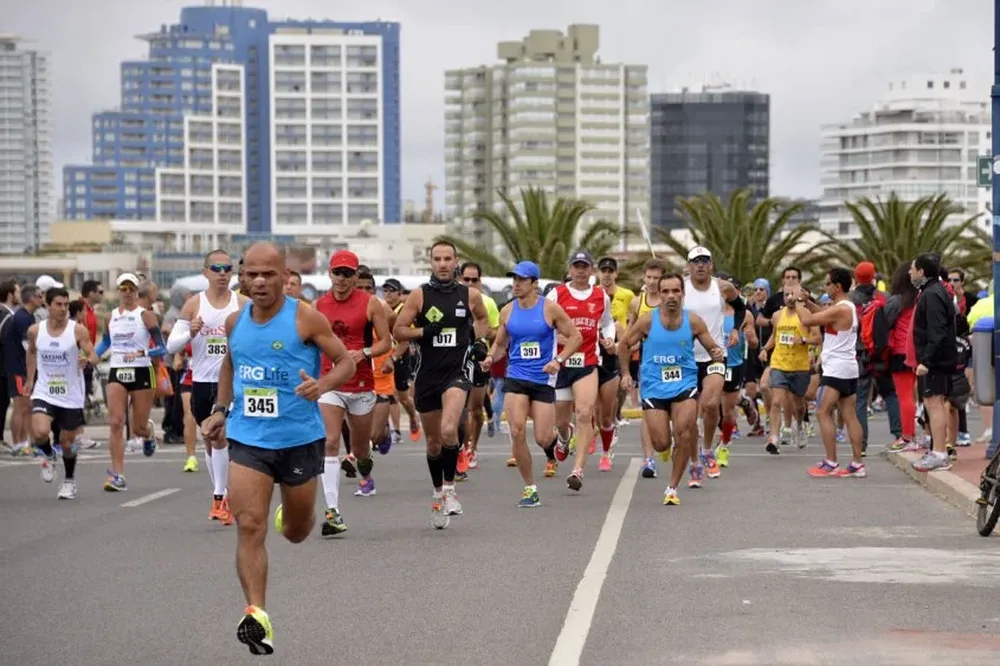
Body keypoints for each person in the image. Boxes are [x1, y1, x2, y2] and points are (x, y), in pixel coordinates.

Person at [199, 241, 355, 656]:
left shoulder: (305, 317)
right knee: (249, 524)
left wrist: (321, 386)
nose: (259, 281)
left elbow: (346, 362)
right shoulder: (235, 322)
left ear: (285, 276)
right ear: (242, 277)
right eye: (251, 274)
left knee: (298, 531)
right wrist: (219, 410)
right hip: (248, 438)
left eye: (268, 274)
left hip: (300, 440)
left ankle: (293, 511)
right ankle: (258, 615)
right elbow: (230, 363)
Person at [392, 240, 490, 528]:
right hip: (426, 377)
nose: (443, 264)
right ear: (431, 262)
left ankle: (449, 490)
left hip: (456, 373)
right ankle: (437, 494)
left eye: (448, 258)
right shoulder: (419, 296)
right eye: (438, 259)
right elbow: (398, 330)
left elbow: (483, 319)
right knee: (434, 443)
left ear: (456, 261)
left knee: (450, 429)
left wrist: (479, 341)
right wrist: (423, 332)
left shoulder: (469, 295)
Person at [619, 273, 727, 505]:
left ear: (683, 294)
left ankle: (672, 488)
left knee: (685, 433)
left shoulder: (694, 321)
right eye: (665, 291)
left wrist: (716, 352)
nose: (671, 296)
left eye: (675, 291)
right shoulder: (648, 321)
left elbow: (712, 348)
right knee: (661, 443)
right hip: (654, 386)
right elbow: (625, 344)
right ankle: (665, 450)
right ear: (659, 295)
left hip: (684, 384)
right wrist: (626, 373)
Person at [483, 261, 582, 507]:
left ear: (534, 283)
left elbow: (576, 337)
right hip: (515, 376)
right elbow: (500, 344)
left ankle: (561, 435)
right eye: (514, 279)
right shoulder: (507, 311)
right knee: (516, 430)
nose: (516, 284)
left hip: (543, 379)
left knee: (542, 437)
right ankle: (530, 488)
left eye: (522, 279)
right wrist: (489, 357)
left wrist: (559, 360)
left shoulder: (550, 309)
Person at [313, 250, 391, 535]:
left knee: (358, 450)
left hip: (361, 384)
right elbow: (308, 342)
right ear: (330, 274)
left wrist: (365, 352)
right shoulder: (318, 305)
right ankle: (332, 512)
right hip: (330, 382)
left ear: (356, 276)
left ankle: (365, 463)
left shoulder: (370, 304)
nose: (342, 279)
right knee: (331, 441)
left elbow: (385, 342)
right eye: (337, 273)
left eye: (348, 274)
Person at [167, 250, 247, 521]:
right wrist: (190, 331)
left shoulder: (242, 303)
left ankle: (219, 497)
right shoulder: (194, 304)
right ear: (206, 272)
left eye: (227, 268)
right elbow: (171, 346)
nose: (222, 273)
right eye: (216, 268)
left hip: (234, 383)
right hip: (202, 381)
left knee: (223, 436)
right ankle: (223, 495)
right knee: (211, 440)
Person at [24, 288, 100, 499]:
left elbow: (93, 354)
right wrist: (30, 379)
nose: (63, 309)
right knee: (39, 432)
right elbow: (31, 352)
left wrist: (88, 360)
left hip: (71, 393)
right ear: (47, 305)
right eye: (58, 304)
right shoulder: (35, 331)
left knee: (67, 443)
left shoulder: (78, 331)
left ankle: (69, 480)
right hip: (45, 389)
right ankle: (48, 454)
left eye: (66, 305)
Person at [549, 250, 615, 492]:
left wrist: (608, 339)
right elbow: (547, 323)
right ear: (569, 269)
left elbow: (607, 323)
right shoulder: (557, 294)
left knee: (585, 412)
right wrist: (559, 338)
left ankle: (578, 471)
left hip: (587, 361)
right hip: (561, 362)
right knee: (561, 420)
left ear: (591, 270)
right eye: (576, 266)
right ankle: (565, 438)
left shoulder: (600, 296)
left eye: (584, 266)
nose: (580, 270)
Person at [95, 273, 165, 491]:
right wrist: (90, 359)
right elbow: (105, 342)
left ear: (137, 291)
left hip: (142, 371)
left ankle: (149, 433)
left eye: (131, 288)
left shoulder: (146, 316)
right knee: (116, 422)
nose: (127, 293)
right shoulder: (110, 317)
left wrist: (143, 351)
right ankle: (118, 475)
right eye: (123, 289)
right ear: (118, 292)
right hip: (117, 370)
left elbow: (163, 347)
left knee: (139, 426)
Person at [793, 268, 866, 478]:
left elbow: (807, 321)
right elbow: (821, 315)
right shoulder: (844, 308)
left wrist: (797, 303)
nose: (825, 288)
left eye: (827, 284)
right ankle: (857, 463)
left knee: (822, 412)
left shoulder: (841, 308)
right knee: (850, 416)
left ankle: (831, 461)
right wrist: (807, 302)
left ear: (838, 286)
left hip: (836, 369)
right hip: (848, 368)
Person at [682, 247, 746, 483]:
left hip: (715, 354)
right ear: (689, 265)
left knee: (710, 404)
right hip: (686, 358)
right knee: (688, 417)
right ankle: (694, 463)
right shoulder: (681, 287)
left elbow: (741, 307)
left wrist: (737, 330)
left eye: (704, 261)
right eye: (695, 261)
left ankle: (707, 450)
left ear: (711, 264)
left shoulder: (722, 287)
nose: (700, 265)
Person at [908, 253, 959, 472]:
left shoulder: (932, 295)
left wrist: (926, 360)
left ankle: (939, 453)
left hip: (935, 361)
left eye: (913, 269)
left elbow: (936, 332)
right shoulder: (933, 292)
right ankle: (937, 450)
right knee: (932, 403)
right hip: (937, 359)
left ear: (921, 271)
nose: (910, 273)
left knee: (935, 404)